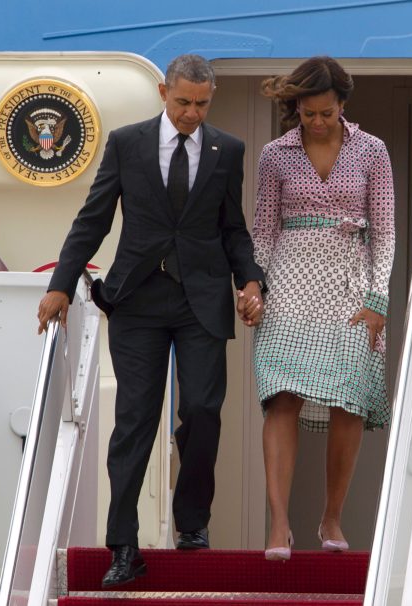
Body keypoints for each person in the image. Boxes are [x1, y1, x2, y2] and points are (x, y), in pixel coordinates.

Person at [37, 54, 265, 587]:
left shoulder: (226, 149)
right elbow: (92, 218)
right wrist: (60, 286)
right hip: (137, 300)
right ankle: (124, 546)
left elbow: (233, 228)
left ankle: (192, 523)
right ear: (164, 92)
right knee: (135, 419)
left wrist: (250, 280)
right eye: (183, 101)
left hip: (201, 301)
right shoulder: (127, 142)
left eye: (202, 104)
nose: (192, 113)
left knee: (204, 411)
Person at [252, 56, 395, 560]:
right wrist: (255, 288)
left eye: (326, 113)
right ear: (297, 108)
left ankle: (331, 517)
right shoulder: (275, 155)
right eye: (308, 113)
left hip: (351, 287)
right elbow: (264, 231)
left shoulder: (373, 151)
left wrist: (378, 301)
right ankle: (278, 524)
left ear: (343, 106)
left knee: (348, 400)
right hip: (288, 284)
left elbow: (385, 232)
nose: (316, 121)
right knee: (282, 396)